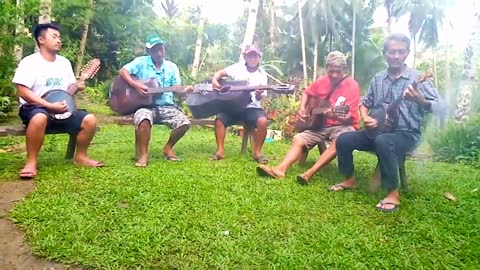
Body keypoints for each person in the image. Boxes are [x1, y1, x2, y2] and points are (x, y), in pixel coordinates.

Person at [331, 33, 443, 212]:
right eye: (392, 52)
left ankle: (392, 193)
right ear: (385, 54)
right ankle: (349, 179)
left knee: (384, 141)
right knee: (344, 138)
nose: (396, 56)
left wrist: (421, 101)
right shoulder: (378, 78)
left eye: (401, 52)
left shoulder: (417, 78)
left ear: (407, 53)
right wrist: (365, 117)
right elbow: (364, 103)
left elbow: (441, 107)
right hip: (378, 131)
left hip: (407, 134)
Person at [12, 23, 104, 179]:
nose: (58, 40)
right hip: (34, 108)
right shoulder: (30, 62)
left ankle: (80, 156)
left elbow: (68, 90)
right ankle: (31, 162)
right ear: (41, 39)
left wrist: (78, 85)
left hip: (62, 109)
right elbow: (22, 90)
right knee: (40, 116)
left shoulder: (64, 63)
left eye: (59, 37)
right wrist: (48, 106)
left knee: (90, 120)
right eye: (54, 37)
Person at [256, 51, 360, 182]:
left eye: (338, 71)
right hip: (321, 125)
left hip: (343, 126)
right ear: (327, 68)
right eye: (331, 71)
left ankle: (309, 173)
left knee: (340, 141)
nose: (334, 74)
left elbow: (350, 117)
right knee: (298, 139)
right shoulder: (322, 81)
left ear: (344, 70)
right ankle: (280, 169)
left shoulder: (352, 86)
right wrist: (302, 109)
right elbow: (307, 92)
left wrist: (336, 115)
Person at [119, 34, 192, 167]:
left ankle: (168, 147)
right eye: (155, 50)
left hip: (167, 107)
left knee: (185, 123)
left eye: (161, 49)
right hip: (144, 106)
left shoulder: (172, 67)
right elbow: (123, 71)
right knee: (143, 118)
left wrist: (184, 91)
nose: (159, 53)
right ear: (148, 51)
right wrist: (136, 85)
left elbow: (177, 89)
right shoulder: (141, 62)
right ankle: (143, 155)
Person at [209, 44, 269, 163]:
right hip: (234, 106)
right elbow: (220, 73)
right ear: (245, 57)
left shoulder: (262, 75)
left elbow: (260, 97)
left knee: (262, 121)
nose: (252, 58)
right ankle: (220, 151)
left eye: (255, 56)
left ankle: (257, 152)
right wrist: (214, 79)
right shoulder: (237, 68)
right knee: (219, 119)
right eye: (249, 55)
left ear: (259, 57)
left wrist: (258, 94)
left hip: (252, 107)